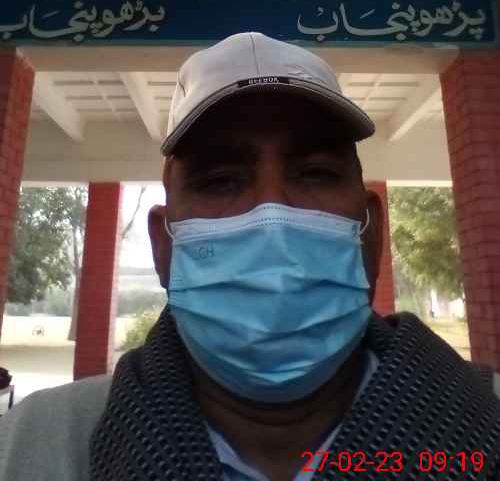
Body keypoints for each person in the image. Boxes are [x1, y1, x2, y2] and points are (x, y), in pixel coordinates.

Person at [1, 31, 500, 481]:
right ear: (163, 246)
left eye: (315, 173)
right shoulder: (29, 449)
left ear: (371, 234)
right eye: (221, 181)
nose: (273, 217)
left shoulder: (485, 419)